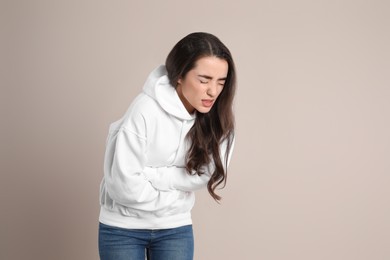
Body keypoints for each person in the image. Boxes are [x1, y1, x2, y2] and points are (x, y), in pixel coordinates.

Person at [98, 32, 237, 260]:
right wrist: (177, 194)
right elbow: (124, 188)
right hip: (122, 228)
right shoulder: (144, 111)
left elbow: (206, 176)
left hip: (175, 228)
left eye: (221, 82)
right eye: (204, 80)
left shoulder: (220, 121)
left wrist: (155, 176)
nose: (213, 91)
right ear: (180, 75)